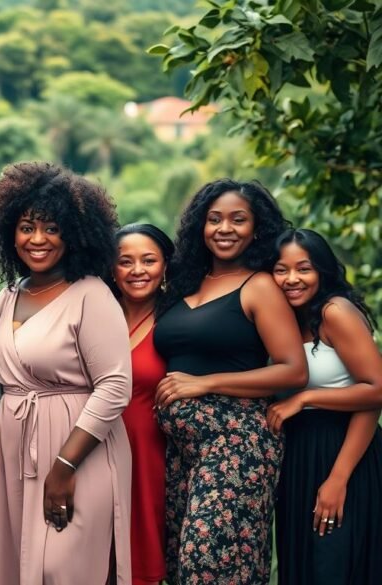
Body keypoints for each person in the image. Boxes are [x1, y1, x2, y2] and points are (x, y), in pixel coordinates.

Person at [0, 162, 133, 585]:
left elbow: (116, 386)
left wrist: (64, 466)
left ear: (75, 233)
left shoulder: (91, 294)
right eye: (27, 227)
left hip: (77, 450)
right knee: (19, 564)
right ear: (9, 231)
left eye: (52, 228)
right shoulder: (8, 296)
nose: (38, 239)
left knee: (60, 570)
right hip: (15, 453)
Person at [153, 179, 308, 585]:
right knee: (179, 567)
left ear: (256, 229)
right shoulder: (184, 284)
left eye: (238, 220)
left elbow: (293, 370)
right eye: (214, 219)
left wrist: (205, 384)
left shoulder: (259, 286)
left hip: (237, 442)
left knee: (208, 564)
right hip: (181, 448)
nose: (225, 229)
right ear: (199, 227)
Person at [267, 228, 382, 584]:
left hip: (344, 453)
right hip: (299, 457)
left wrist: (338, 478)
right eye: (280, 270)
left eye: (304, 269)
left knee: (333, 566)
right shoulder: (283, 320)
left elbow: (376, 391)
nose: (292, 279)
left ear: (323, 270)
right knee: (303, 567)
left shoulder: (335, 312)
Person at [109, 223, 174, 585]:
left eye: (148, 260)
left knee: (143, 560)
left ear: (165, 265)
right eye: (125, 261)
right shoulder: (95, 312)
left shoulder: (177, 319)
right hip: (92, 446)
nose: (137, 271)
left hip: (150, 453)